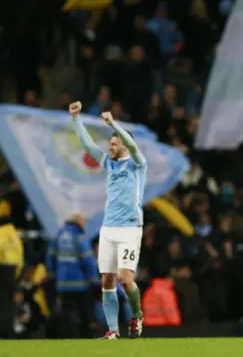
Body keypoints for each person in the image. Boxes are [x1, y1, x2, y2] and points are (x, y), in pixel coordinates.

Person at [69, 101, 147, 339]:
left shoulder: (137, 164)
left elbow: (133, 145)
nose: (110, 147)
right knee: (107, 280)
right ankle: (112, 331)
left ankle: (137, 314)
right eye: (110, 144)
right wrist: (76, 119)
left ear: (123, 144)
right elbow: (88, 145)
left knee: (126, 279)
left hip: (130, 228)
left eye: (114, 144)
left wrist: (114, 123)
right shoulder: (109, 164)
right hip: (109, 229)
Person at [45, 213, 99, 338]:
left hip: (62, 283)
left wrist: (53, 275)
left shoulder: (58, 236)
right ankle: (86, 335)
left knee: (65, 312)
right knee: (84, 311)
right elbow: (88, 261)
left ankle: (66, 336)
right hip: (80, 283)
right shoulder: (79, 237)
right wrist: (94, 280)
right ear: (79, 222)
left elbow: (50, 257)